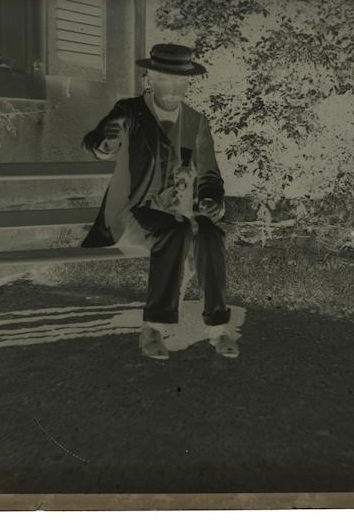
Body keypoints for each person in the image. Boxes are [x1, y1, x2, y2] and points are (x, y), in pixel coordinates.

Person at [80, 43, 238, 361]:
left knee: (210, 232)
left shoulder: (196, 122)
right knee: (175, 230)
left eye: (181, 81)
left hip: (178, 213)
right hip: (133, 215)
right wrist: (106, 141)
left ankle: (218, 326)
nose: (173, 89)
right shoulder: (129, 111)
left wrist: (210, 198)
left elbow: (210, 174)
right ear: (149, 79)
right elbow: (94, 141)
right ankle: (153, 326)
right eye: (165, 80)